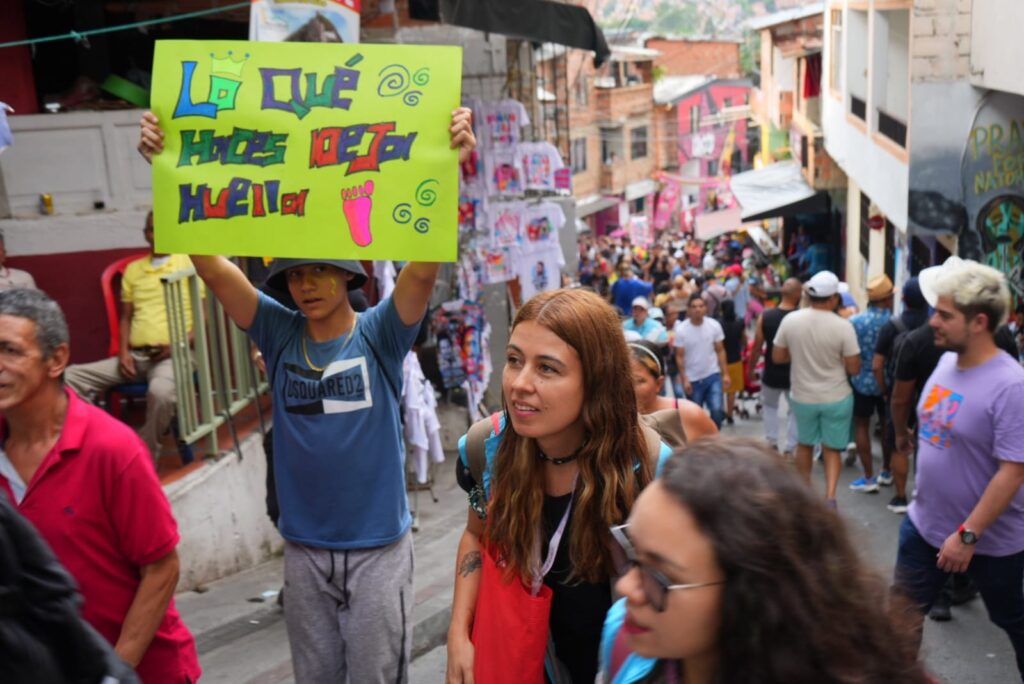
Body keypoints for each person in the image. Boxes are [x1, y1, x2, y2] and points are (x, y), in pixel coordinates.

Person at [138, 106, 475, 682]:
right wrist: (166, 168)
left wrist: (450, 169)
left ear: (347, 275)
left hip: (378, 551)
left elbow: (421, 271)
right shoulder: (277, 330)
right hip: (303, 550)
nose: (307, 284)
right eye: (296, 274)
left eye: (320, 270)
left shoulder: (381, 334)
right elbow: (214, 270)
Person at [447, 288, 668, 684]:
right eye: (514, 360)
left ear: (597, 380)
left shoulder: (650, 467)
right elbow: (475, 534)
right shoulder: (486, 447)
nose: (520, 383)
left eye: (547, 368)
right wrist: (459, 634)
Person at [598, 437, 928, 684]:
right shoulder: (622, 642)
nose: (626, 588)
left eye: (659, 576)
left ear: (753, 594)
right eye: (631, 552)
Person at [0, 289, 200, 683]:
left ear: (56, 359)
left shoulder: (111, 448)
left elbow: (162, 569)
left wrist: (112, 673)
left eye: (10, 350)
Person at [892, 258, 1024, 678]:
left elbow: (1014, 471)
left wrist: (967, 536)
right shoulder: (948, 361)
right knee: (897, 627)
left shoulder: (1011, 385)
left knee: (1014, 621)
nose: (933, 321)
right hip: (923, 527)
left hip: (990, 544)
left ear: (979, 322)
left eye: (945, 315)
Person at [64, 211, 198, 460]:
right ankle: (110, 439)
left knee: (161, 393)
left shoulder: (188, 264)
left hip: (175, 356)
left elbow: (203, 321)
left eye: (163, 228)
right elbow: (126, 317)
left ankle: (142, 455)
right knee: (69, 377)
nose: (158, 234)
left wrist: (176, 345)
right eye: (152, 229)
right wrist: (123, 352)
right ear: (146, 234)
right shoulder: (134, 271)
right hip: (136, 357)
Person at [773, 270, 860, 507]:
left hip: (803, 395)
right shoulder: (843, 326)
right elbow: (854, 368)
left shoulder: (791, 321)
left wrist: (799, 355)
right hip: (837, 396)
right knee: (832, 449)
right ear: (833, 298)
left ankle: (806, 495)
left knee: (805, 444)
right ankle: (830, 496)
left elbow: (778, 357)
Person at [871, 276, 929, 498]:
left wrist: (885, 390)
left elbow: (877, 364)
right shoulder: (934, 327)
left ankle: (900, 496)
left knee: (899, 444)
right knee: (926, 445)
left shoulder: (891, 326)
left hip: (899, 392)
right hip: (927, 394)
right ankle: (922, 495)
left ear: (903, 299)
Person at [847, 274, 894, 494]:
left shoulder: (855, 322)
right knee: (886, 425)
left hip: (861, 381)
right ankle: (886, 470)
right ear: (887, 299)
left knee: (861, 425)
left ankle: (868, 476)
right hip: (888, 382)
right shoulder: (895, 323)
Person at [748, 277, 800, 456]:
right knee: (795, 411)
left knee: (770, 407)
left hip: (771, 371)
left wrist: (751, 369)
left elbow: (757, 347)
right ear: (798, 294)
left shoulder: (766, 316)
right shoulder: (801, 317)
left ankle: (772, 442)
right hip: (795, 373)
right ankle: (791, 447)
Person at [628, 339, 718, 442]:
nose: (628, 388)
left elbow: (717, 450)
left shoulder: (690, 415)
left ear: (659, 383)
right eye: (621, 380)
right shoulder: (614, 422)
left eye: (638, 381)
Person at [673, 294, 729, 428]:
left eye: (700, 306)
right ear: (688, 309)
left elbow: (720, 350)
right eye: (694, 307)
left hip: (712, 375)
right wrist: (684, 379)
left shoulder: (714, 325)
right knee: (696, 416)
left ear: (705, 308)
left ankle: (714, 437)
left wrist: (725, 374)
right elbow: (679, 356)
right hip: (693, 379)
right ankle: (702, 439)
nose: (697, 309)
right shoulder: (681, 330)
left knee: (717, 410)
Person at [717, 300, 746, 425]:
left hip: (720, 361)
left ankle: (720, 411)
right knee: (732, 390)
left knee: (719, 388)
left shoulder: (718, 324)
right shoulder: (739, 322)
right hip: (735, 359)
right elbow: (744, 340)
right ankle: (730, 414)